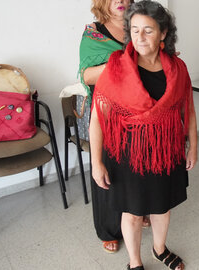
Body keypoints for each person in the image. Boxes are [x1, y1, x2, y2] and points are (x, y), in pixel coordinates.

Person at [90, 1, 197, 269]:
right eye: (135, 30)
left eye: (148, 30)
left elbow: (188, 110)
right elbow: (97, 119)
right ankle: (134, 261)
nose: (140, 37)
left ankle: (159, 249)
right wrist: (96, 162)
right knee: (133, 213)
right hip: (127, 154)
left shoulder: (178, 68)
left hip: (166, 149)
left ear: (163, 33)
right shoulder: (115, 68)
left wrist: (193, 146)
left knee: (162, 208)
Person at [79, 0, 151, 254]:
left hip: (141, 112)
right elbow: (87, 75)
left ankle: (138, 211)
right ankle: (109, 229)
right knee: (110, 172)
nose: (120, 1)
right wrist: (125, 61)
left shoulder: (140, 25)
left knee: (140, 167)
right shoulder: (93, 33)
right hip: (108, 115)